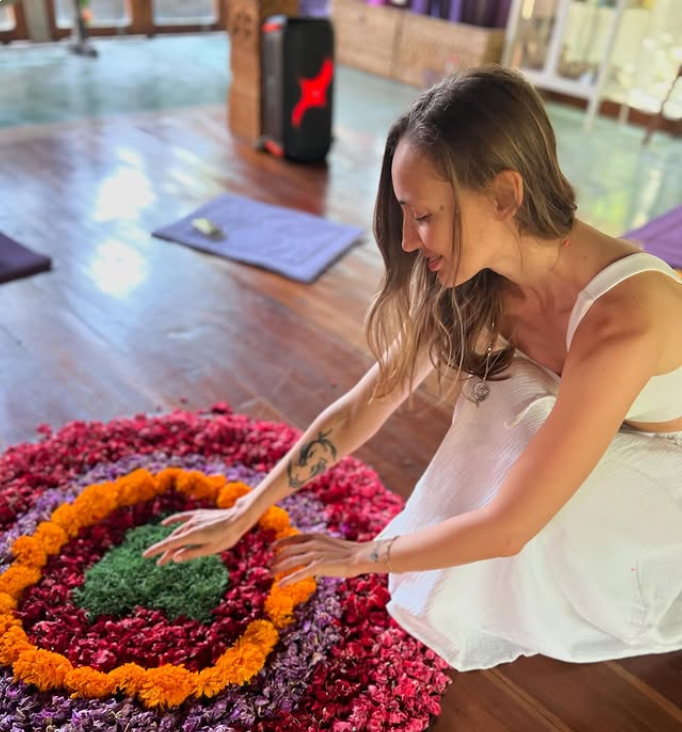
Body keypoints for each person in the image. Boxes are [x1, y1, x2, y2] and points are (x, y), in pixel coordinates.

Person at [144, 65, 682, 671]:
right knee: (506, 395)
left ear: (504, 197)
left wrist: (359, 556)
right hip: (607, 419)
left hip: (664, 468)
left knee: (515, 418)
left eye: (422, 215)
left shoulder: (624, 322)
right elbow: (366, 403)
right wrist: (246, 511)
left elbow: (509, 528)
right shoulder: (477, 276)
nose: (406, 240)